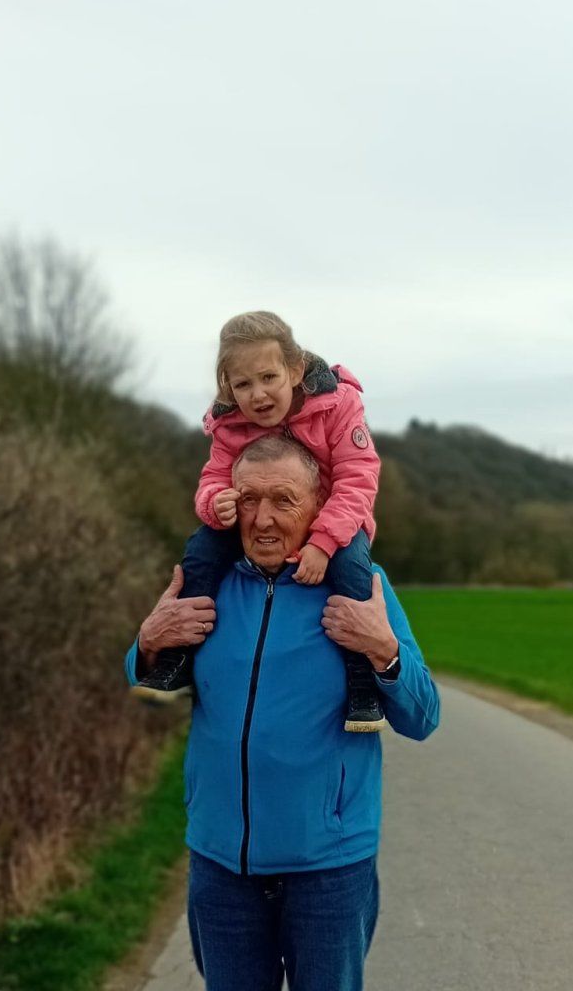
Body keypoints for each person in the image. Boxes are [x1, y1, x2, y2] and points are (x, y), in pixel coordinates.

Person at [126, 435, 440, 991]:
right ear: (227, 501)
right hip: (222, 865)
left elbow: (422, 714)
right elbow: (149, 679)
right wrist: (146, 642)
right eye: (249, 499)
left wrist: (383, 649)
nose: (263, 518)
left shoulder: (358, 586)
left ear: (319, 506)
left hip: (329, 864)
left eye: (284, 501)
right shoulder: (209, 584)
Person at [130, 310, 386, 732]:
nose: (258, 395)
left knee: (352, 568)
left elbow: (357, 479)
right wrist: (215, 504)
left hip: (336, 521)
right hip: (250, 523)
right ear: (228, 387)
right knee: (201, 549)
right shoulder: (229, 423)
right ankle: (176, 660)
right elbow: (214, 476)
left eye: (269, 377)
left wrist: (323, 542)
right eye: (243, 384)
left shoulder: (338, 404)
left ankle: (363, 683)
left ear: (295, 370)